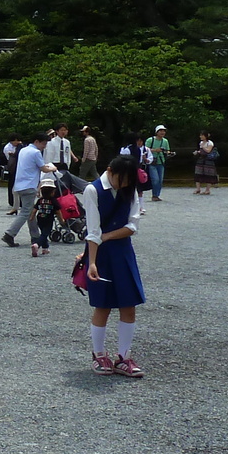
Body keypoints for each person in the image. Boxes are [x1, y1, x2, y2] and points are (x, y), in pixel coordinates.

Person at [85, 153, 146, 378]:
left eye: (129, 181)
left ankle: (124, 357)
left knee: (128, 305)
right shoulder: (92, 190)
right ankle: (99, 354)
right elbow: (92, 231)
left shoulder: (129, 190)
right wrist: (91, 262)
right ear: (110, 170)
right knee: (103, 305)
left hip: (122, 250)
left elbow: (133, 226)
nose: (124, 185)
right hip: (100, 254)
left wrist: (107, 236)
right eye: (121, 179)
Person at [1, 133, 47, 248]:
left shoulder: (23, 150)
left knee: (30, 211)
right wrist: (53, 168)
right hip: (29, 185)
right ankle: (9, 234)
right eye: (43, 144)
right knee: (26, 212)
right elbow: (43, 168)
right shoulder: (36, 152)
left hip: (20, 184)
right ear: (37, 141)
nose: (44, 146)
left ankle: (35, 236)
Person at [29, 173, 61, 257]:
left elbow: (35, 209)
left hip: (40, 218)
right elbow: (58, 211)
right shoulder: (53, 201)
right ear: (53, 192)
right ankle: (37, 245)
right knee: (45, 234)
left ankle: (45, 248)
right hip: (48, 219)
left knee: (44, 233)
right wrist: (62, 220)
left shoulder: (40, 200)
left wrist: (32, 217)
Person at [144, 125, 171, 201]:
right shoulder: (150, 140)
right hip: (152, 161)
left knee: (160, 180)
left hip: (161, 161)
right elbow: (145, 149)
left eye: (163, 131)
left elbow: (167, 150)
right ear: (157, 132)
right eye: (160, 131)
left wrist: (169, 153)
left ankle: (156, 195)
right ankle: (154, 195)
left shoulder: (165, 141)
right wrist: (155, 150)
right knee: (155, 179)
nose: (162, 132)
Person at [2, 134, 21, 212]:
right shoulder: (7, 147)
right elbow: (11, 157)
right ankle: (11, 201)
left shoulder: (20, 146)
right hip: (12, 167)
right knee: (12, 184)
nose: (16, 142)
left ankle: (19, 201)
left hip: (19, 167)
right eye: (14, 140)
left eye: (17, 140)